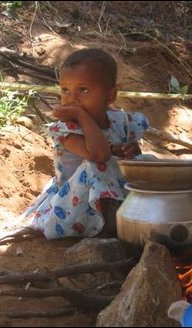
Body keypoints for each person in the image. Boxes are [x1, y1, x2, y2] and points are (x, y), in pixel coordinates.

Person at [17, 48, 149, 239]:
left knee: (147, 160)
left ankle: (135, 215)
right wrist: (81, 114)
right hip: (73, 209)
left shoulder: (121, 121)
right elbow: (99, 155)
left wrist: (132, 152)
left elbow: (123, 158)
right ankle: (108, 226)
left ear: (110, 96)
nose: (72, 98)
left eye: (83, 90)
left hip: (116, 197)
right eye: (65, 90)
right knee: (96, 167)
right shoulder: (66, 129)